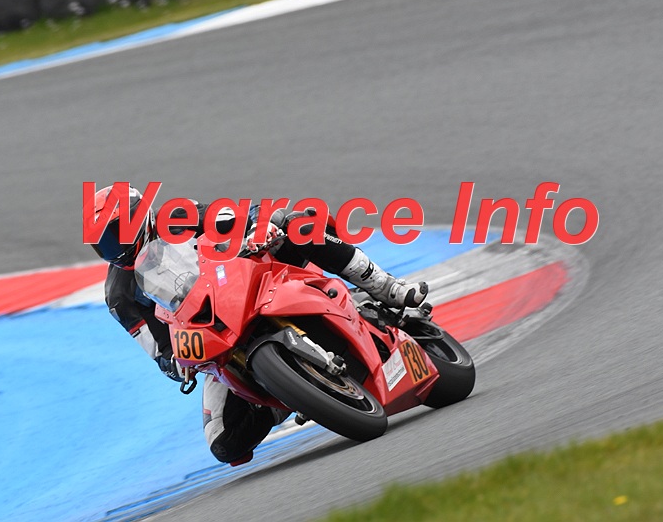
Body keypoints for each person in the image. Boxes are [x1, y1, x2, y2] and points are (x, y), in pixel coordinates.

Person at [88, 184, 428, 465]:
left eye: (117, 234)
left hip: (249, 276)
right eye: (103, 243)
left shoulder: (180, 214)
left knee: (295, 225)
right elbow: (160, 351)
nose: (113, 247)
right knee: (224, 443)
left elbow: (239, 215)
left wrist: (256, 228)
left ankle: (386, 287)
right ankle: (291, 395)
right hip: (213, 331)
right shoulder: (119, 296)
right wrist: (178, 364)